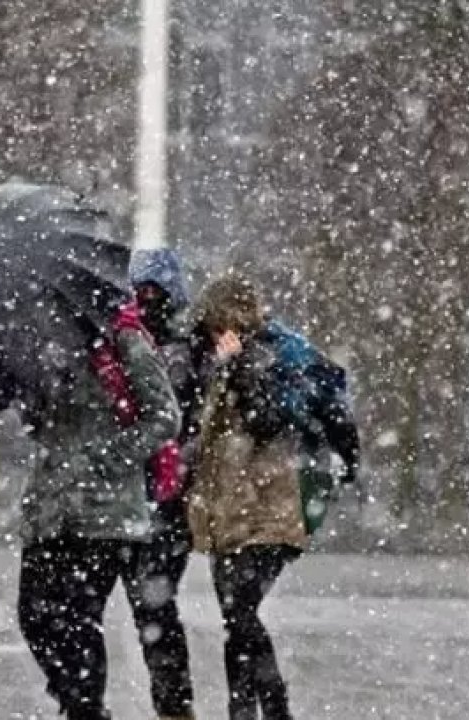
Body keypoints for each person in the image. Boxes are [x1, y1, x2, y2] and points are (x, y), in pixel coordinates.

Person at [184, 274, 359, 720]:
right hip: (230, 508)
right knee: (235, 618)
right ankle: (244, 711)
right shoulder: (222, 357)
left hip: (270, 507)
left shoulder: (266, 355)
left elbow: (266, 421)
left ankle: (271, 708)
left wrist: (238, 368)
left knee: (240, 611)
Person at [17, 296, 182, 720]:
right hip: (51, 508)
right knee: (34, 614)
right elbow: (46, 424)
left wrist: (108, 457)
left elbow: (164, 416)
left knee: (78, 619)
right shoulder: (43, 343)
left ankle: (85, 709)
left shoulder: (123, 339)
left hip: (104, 512)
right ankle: (79, 703)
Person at [120, 248, 196, 720]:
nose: (148, 301)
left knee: (153, 608)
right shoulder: (150, 345)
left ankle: (173, 705)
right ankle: (173, 705)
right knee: (153, 609)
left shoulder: (160, 349)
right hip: (152, 498)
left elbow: (177, 422)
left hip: (157, 498)